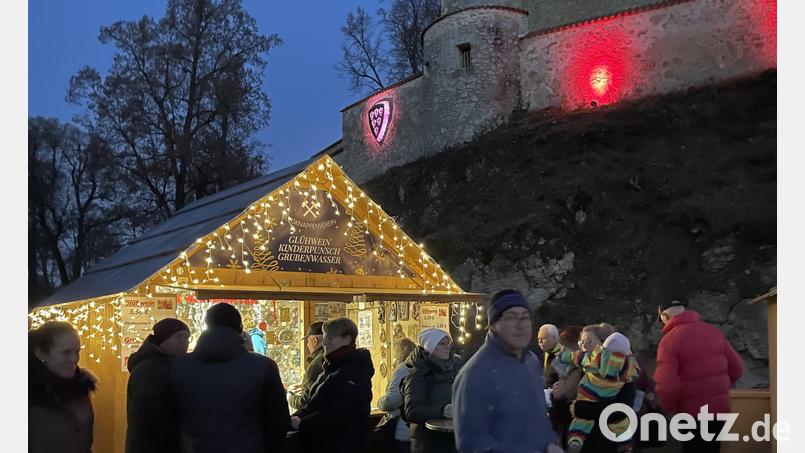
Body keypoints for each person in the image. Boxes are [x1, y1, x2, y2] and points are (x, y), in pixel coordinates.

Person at [166, 303, 290, 452]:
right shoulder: (263, 366)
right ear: (240, 328)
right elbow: (279, 421)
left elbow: (167, 419)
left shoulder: (179, 366)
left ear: (206, 325)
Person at [452, 290, 562, 453]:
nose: (520, 324)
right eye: (510, 317)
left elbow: (539, 420)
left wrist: (551, 442)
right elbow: (472, 441)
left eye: (525, 317)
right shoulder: (475, 374)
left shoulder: (531, 362)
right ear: (494, 325)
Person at [654, 300, 744, 453]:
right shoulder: (713, 331)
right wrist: (719, 389)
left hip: (691, 413)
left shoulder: (670, 340)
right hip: (719, 410)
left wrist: (669, 408)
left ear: (665, 315)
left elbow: (667, 384)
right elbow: (737, 368)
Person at [291, 317, 375, 453]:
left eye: (330, 338)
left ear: (347, 339)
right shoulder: (331, 368)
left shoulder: (354, 371)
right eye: (324, 337)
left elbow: (340, 413)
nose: (324, 342)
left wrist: (303, 423)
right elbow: (314, 404)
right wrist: (296, 417)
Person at [559, 332, 640, 453]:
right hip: (594, 442)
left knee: (581, 425)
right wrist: (558, 398)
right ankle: (625, 445)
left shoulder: (592, 362)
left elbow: (621, 410)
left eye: (590, 340)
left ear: (601, 344)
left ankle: (576, 439)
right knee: (622, 427)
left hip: (604, 442)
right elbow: (564, 409)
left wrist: (581, 408)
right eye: (582, 341)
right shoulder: (627, 371)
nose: (584, 344)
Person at [29, 321, 96, 453]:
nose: (74, 359)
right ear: (41, 354)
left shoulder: (80, 390)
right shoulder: (30, 396)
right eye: (66, 352)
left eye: (77, 352)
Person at [126, 318, 190, 453]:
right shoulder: (150, 369)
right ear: (163, 339)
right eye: (179, 336)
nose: (185, 342)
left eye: (187, 338)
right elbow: (151, 416)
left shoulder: (164, 365)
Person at [402, 328, 462, 453]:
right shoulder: (418, 374)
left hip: (453, 440)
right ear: (431, 347)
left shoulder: (457, 368)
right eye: (442, 344)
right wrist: (442, 410)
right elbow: (412, 410)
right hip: (428, 443)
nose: (448, 347)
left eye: (448, 343)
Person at [377, 337, 417, 453]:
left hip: (402, 429)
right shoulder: (421, 367)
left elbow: (392, 401)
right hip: (418, 431)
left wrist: (380, 402)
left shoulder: (403, 369)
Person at [549, 325, 585, 447]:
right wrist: (557, 398)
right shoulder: (566, 369)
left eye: (565, 347)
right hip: (566, 435)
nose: (560, 352)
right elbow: (560, 414)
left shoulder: (588, 372)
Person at [288, 321, 325, 411]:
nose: (307, 345)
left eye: (307, 341)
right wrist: (305, 384)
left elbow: (304, 402)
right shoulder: (332, 357)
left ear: (314, 341)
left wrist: (290, 397)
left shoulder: (316, 364)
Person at [538, 323, 561, 389]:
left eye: (544, 338)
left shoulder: (563, 355)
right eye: (538, 338)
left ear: (554, 338)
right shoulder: (544, 353)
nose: (540, 341)